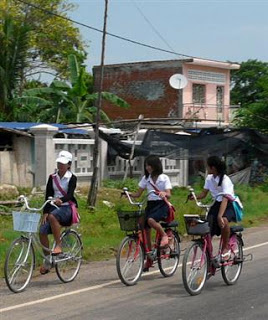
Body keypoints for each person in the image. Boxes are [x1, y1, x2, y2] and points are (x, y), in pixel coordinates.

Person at [130, 155, 172, 271]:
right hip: (150, 205)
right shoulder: (146, 178)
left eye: (149, 165)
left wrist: (164, 193)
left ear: (155, 166)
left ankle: (164, 235)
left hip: (161, 205)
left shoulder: (164, 178)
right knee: (143, 226)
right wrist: (128, 194)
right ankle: (149, 255)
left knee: (151, 220)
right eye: (146, 165)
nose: (147, 167)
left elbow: (169, 194)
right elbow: (138, 194)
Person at [39, 150, 78, 274]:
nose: (60, 165)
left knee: (52, 217)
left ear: (69, 165)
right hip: (53, 207)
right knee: (42, 230)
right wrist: (45, 212)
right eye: (59, 163)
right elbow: (48, 195)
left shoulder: (72, 178)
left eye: (63, 163)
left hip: (67, 207)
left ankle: (59, 245)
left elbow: (71, 195)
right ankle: (47, 260)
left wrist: (61, 200)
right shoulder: (52, 177)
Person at [191, 156, 236, 260]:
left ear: (213, 168)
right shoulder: (209, 178)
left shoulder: (225, 180)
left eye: (208, 166)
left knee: (223, 220)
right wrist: (195, 197)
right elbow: (204, 193)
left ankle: (225, 248)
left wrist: (220, 216)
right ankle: (209, 255)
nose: (206, 168)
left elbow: (225, 198)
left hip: (228, 204)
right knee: (208, 226)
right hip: (216, 204)